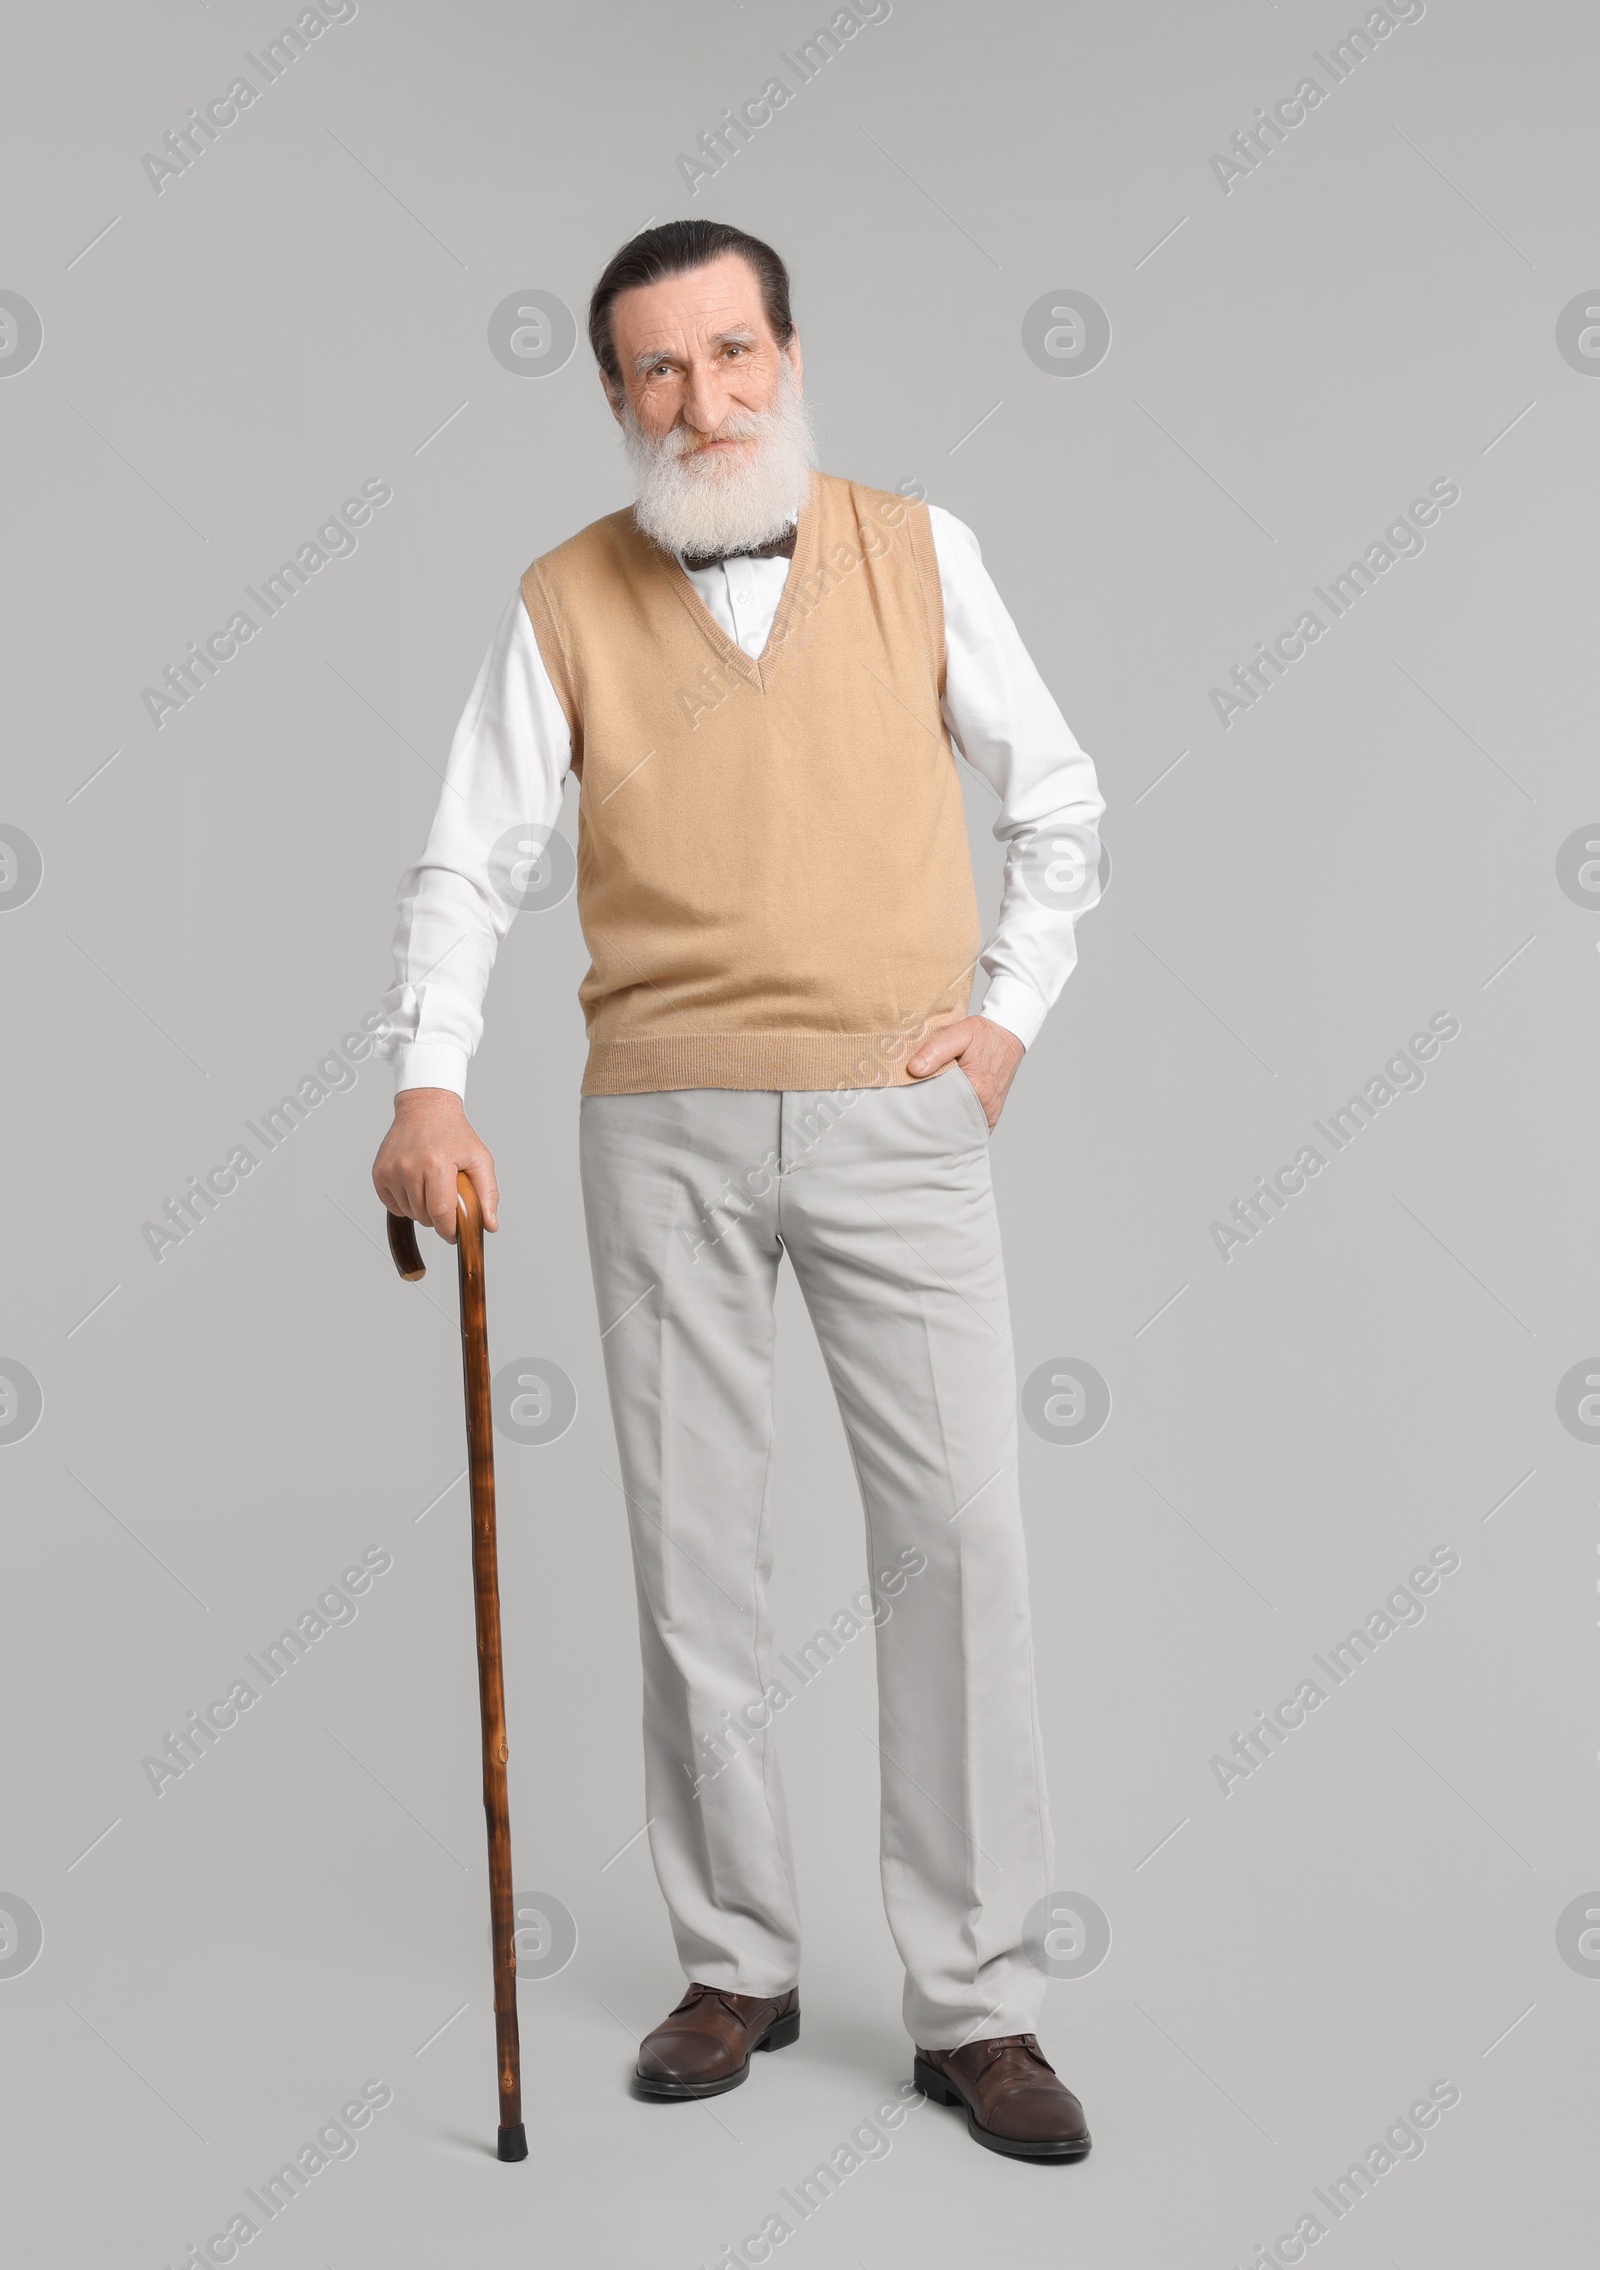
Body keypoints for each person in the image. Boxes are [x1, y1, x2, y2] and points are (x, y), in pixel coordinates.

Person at [371, 220, 1105, 2162]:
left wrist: (1004, 1023)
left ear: (788, 350)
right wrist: (425, 1078)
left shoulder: (916, 552)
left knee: (960, 1545)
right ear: (614, 397)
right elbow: (467, 863)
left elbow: (1059, 801)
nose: (702, 400)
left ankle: (974, 2005)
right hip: (663, 1121)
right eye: (657, 371)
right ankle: (735, 1960)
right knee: (693, 1550)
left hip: (895, 1107)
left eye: (730, 352)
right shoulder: (560, 600)